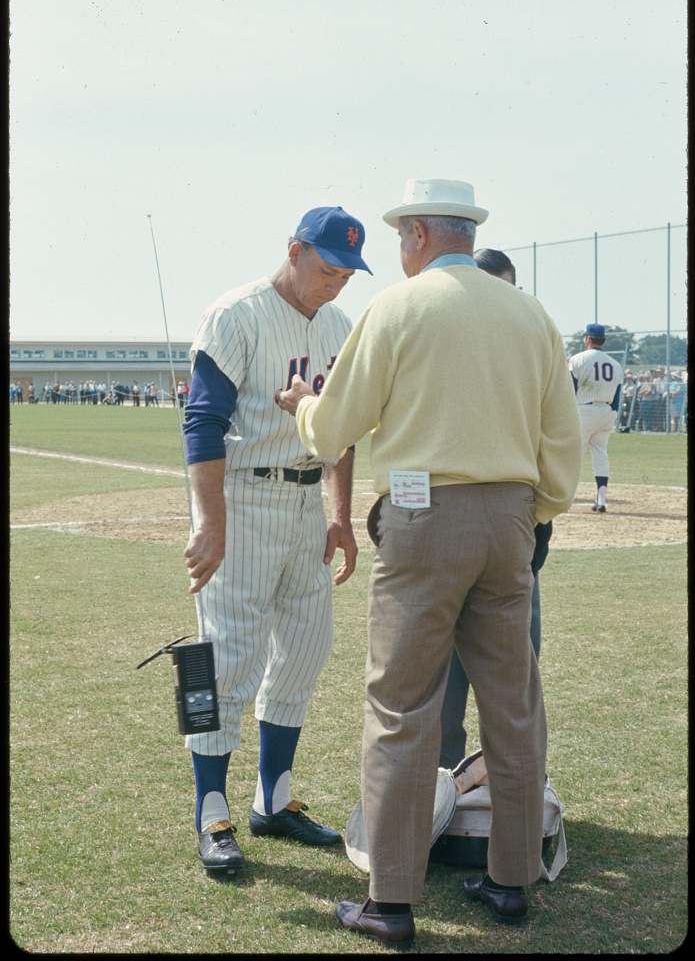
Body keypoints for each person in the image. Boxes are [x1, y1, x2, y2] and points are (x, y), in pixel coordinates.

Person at [277, 178, 582, 945]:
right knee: (512, 707)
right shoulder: (530, 313)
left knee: (401, 707)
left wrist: (301, 407)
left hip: (421, 514)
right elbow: (560, 445)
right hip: (511, 518)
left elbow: (336, 425)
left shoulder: (396, 307)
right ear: (465, 233)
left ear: (415, 234)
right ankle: (511, 879)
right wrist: (531, 510)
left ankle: (391, 898)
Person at [181, 205, 372, 876]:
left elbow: (342, 428)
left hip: (303, 505)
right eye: (326, 269)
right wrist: (210, 522)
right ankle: (212, 812)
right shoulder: (237, 313)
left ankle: (273, 801)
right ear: (294, 250)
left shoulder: (341, 325)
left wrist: (339, 513)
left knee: (303, 655)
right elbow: (202, 421)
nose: (336, 284)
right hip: (243, 493)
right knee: (224, 659)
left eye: (348, 274)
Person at [439, 247, 545, 771]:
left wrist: (538, 519)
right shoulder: (447, 341)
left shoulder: (533, 337)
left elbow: (555, 439)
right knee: (443, 690)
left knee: (515, 683)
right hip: (462, 534)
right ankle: (442, 791)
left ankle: (519, 789)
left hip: (516, 544)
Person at [568, 324, 623, 512]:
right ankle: (601, 501)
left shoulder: (577, 359)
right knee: (601, 455)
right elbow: (617, 397)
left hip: (584, 410)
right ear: (603, 339)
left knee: (574, 455)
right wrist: (612, 413)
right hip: (607, 411)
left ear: (588, 339)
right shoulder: (615, 364)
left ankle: (566, 498)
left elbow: (570, 390)